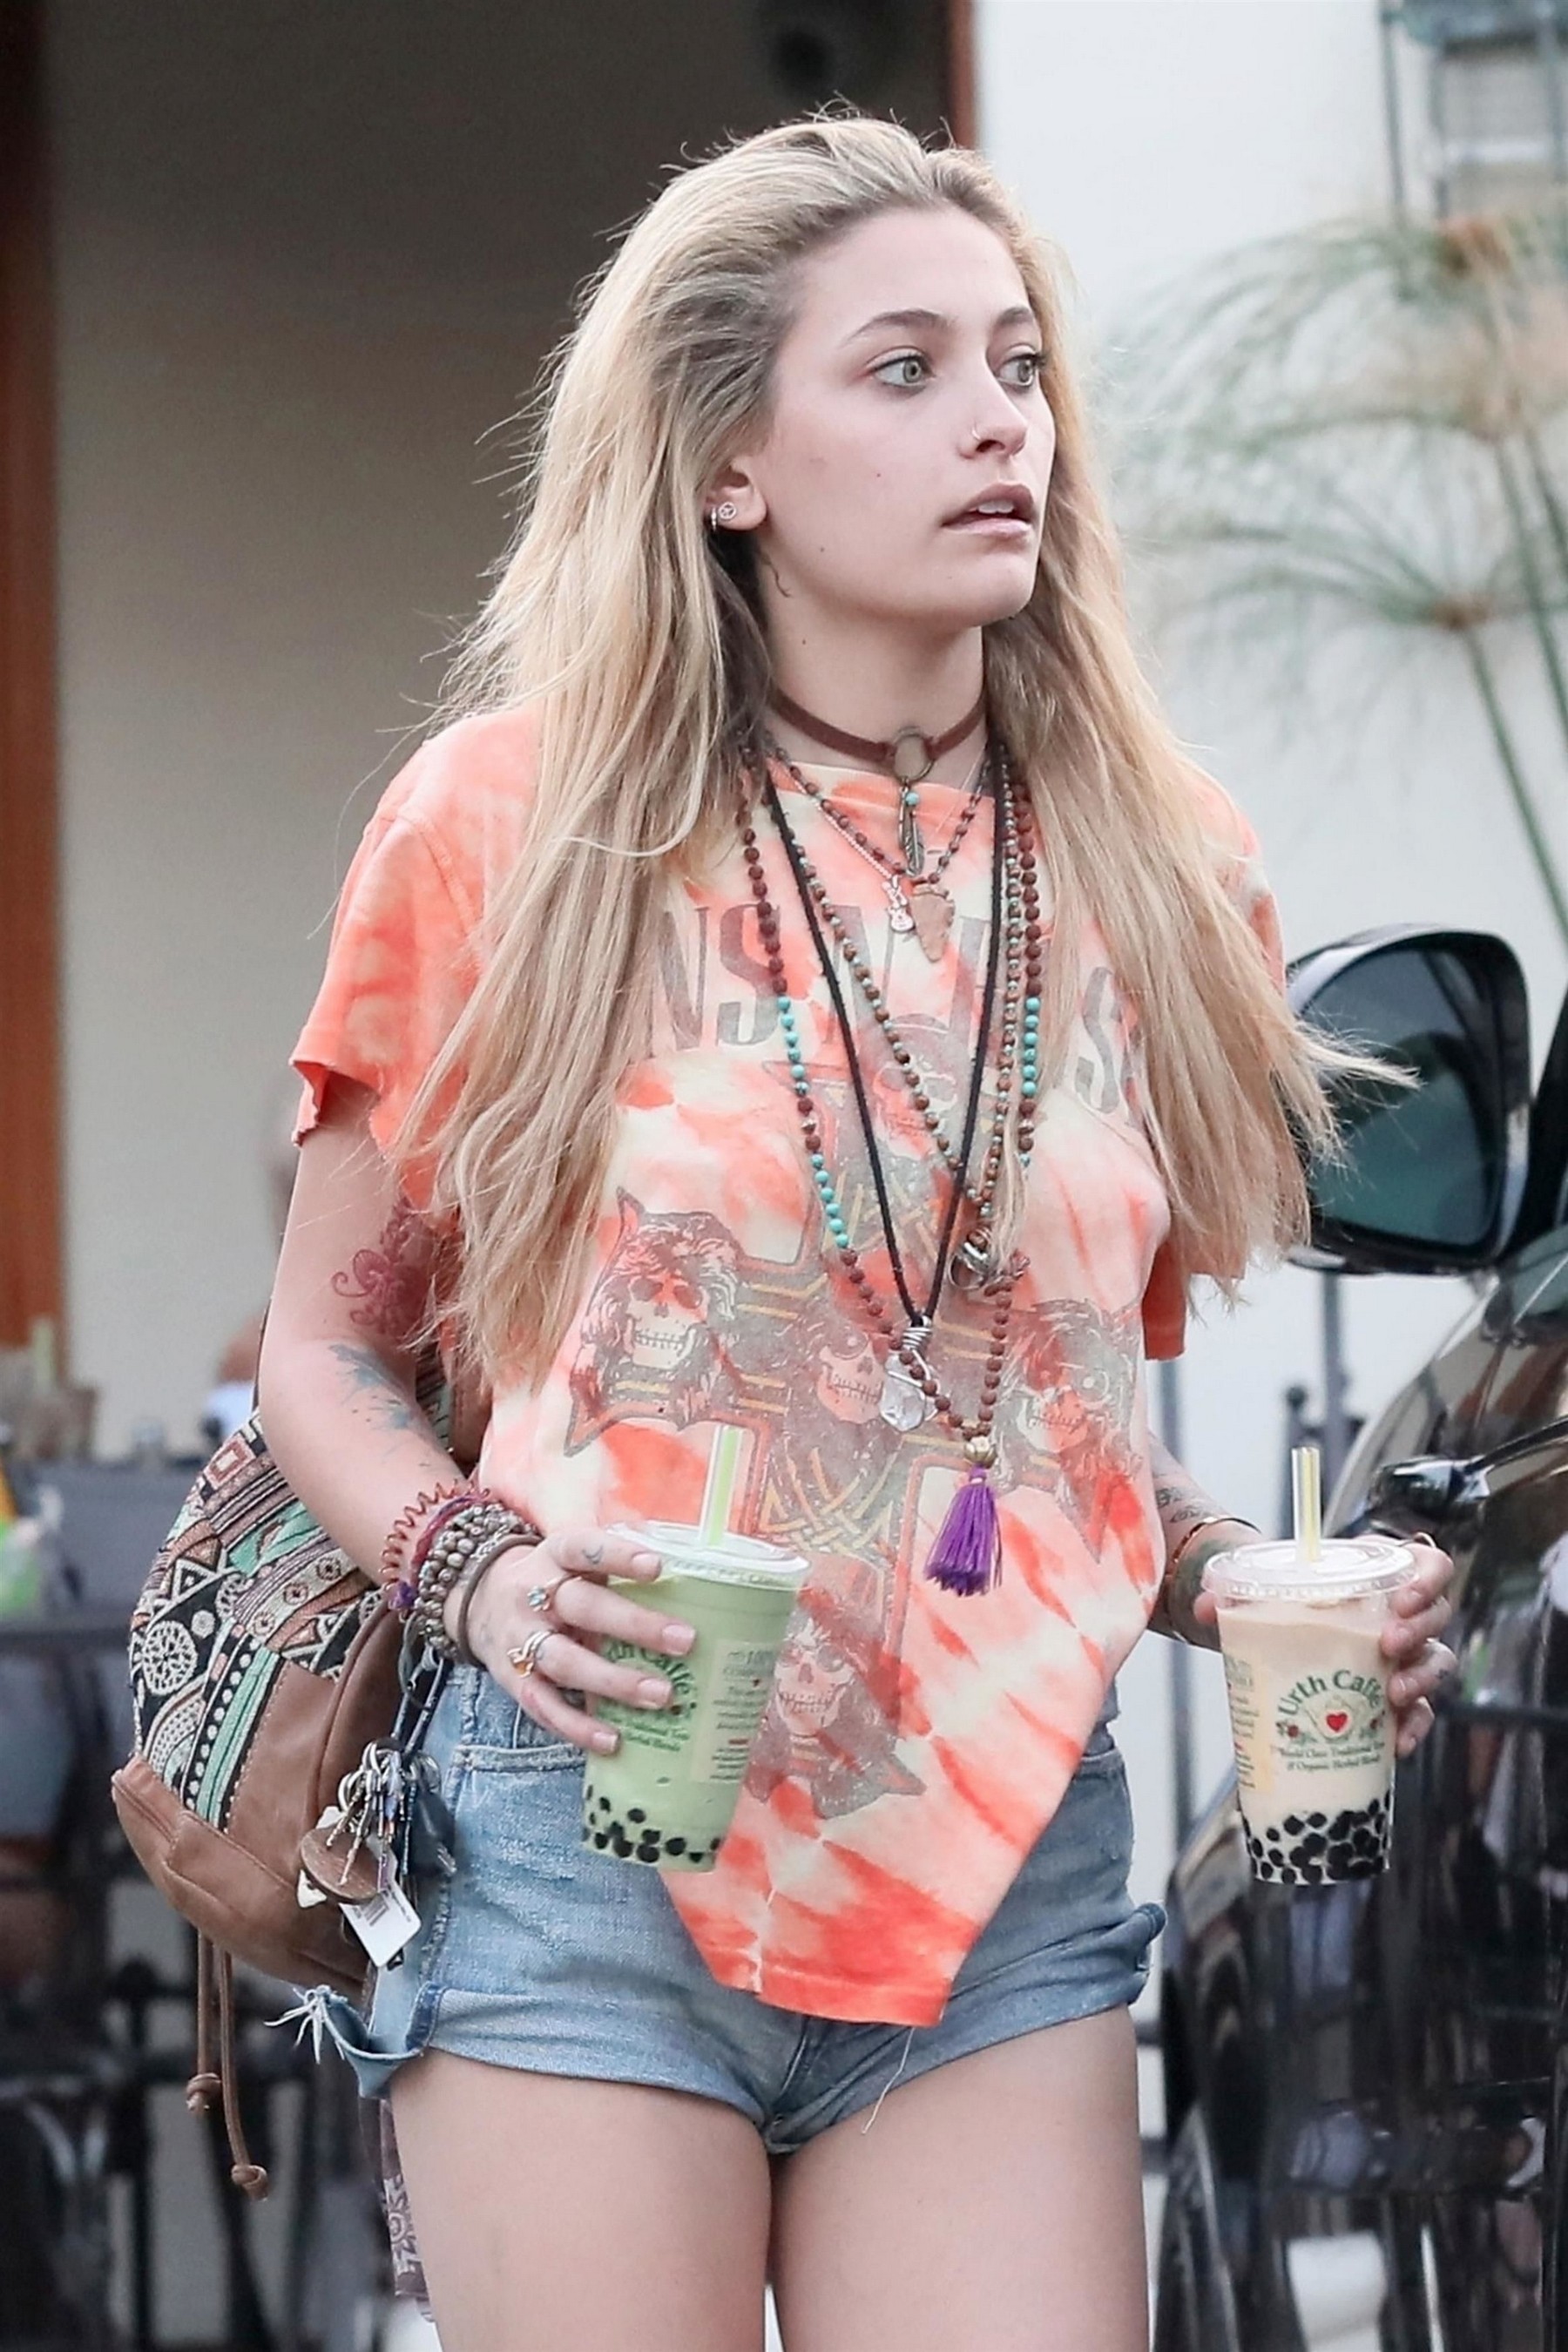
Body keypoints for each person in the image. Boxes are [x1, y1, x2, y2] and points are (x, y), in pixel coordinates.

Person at [257, 118, 1458, 2352]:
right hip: (591, 1827)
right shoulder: (511, 827)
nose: (999, 420)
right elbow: (324, 1357)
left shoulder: (1166, 860)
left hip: (999, 1861)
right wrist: (484, 1578)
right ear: (729, 463)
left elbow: (1045, 1439)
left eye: (1017, 366)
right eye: (903, 370)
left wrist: (1249, 1586)